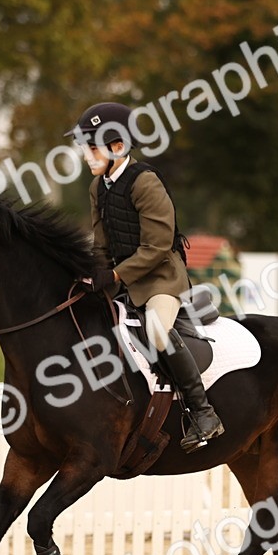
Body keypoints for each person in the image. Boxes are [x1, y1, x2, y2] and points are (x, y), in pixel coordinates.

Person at [65, 102, 224, 452]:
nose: (85, 155)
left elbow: (157, 246)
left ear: (117, 147)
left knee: (155, 329)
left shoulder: (145, 182)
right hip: (125, 280)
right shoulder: (99, 188)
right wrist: (95, 274)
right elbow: (101, 243)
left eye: (91, 147)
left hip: (160, 279)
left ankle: (203, 412)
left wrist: (117, 275)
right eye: (85, 147)